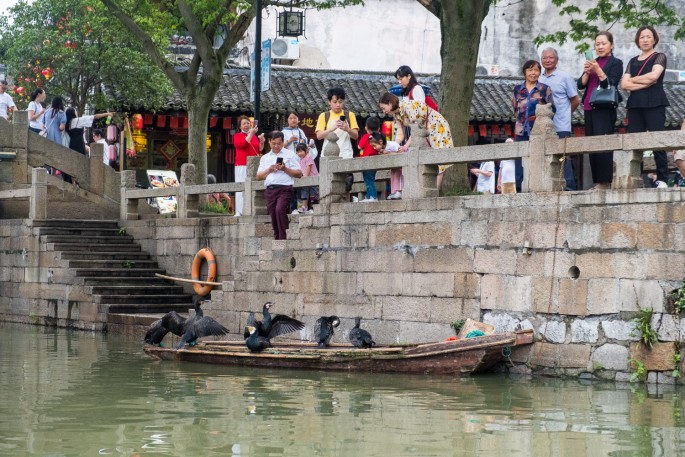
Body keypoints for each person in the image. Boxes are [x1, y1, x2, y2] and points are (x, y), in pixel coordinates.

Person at [620, 26, 670, 189]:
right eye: (642, 37)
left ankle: (662, 178)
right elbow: (624, 84)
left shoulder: (659, 57)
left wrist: (634, 80)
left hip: (655, 102)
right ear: (637, 40)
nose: (645, 39)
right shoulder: (633, 61)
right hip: (635, 105)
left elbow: (654, 77)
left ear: (654, 39)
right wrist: (644, 81)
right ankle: (635, 177)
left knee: (658, 140)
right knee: (635, 142)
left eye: (649, 36)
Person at [378, 92, 453, 195]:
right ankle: (431, 192)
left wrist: (405, 146)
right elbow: (400, 134)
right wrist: (392, 147)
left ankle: (434, 192)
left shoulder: (409, 106)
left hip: (437, 126)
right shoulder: (397, 115)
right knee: (430, 160)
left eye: (383, 108)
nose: (384, 111)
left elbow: (416, 131)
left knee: (439, 160)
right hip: (423, 131)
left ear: (390, 103)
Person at [577, 31, 624, 191]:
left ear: (611, 45)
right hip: (589, 106)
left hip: (604, 107)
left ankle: (605, 181)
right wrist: (586, 72)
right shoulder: (593, 61)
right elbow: (581, 85)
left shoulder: (616, 62)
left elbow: (610, 83)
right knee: (592, 144)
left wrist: (597, 70)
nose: (600, 46)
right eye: (597, 44)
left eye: (603, 43)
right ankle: (598, 181)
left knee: (603, 143)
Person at [539, 47, 580, 191]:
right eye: (545, 58)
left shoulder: (565, 77)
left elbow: (575, 100)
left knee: (563, 158)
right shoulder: (539, 78)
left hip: (561, 125)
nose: (548, 60)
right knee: (544, 157)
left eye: (551, 57)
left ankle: (568, 188)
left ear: (556, 60)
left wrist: (565, 115)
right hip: (542, 126)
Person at [512, 60, 553, 192]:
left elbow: (551, 108)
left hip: (539, 131)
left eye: (536, 70)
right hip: (521, 131)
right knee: (519, 164)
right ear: (524, 72)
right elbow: (515, 109)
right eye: (530, 70)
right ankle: (519, 190)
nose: (533, 73)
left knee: (537, 162)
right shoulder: (518, 89)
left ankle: (537, 189)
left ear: (539, 72)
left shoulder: (544, 89)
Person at [256, 131, 302, 240]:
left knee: (279, 209)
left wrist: (285, 168)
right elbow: (258, 176)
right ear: (269, 142)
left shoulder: (290, 155)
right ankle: (277, 237)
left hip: (284, 188)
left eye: (279, 143)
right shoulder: (265, 158)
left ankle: (283, 237)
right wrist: (270, 169)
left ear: (283, 142)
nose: (276, 146)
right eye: (273, 143)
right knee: (272, 213)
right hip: (270, 189)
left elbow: (299, 174)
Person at [315, 87, 359, 159]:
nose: (338, 105)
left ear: (344, 101)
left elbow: (355, 136)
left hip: (346, 154)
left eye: (340, 102)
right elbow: (319, 136)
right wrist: (331, 129)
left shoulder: (350, 115)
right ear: (329, 102)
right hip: (328, 154)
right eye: (335, 102)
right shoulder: (324, 116)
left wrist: (347, 129)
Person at [234, 115, 264, 216]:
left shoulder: (254, 136)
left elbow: (259, 149)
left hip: (254, 165)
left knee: (253, 187)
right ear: (240, 126)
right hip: (242, 165)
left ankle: (252, 209)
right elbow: (242, 145)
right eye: (244, 124)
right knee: (241, 187)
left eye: (248, 123)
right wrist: (251, 133)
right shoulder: (237, 136)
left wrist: (262, 141)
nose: (246, 125)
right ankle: (239, 210)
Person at [357, 116, 382, 202]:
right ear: (378, 128)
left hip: (366, 161)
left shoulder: (366, 136)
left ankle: (373, 196)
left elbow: (359, 146)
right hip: (375, 161)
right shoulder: (379, 137)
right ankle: (368, 196)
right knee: (370, 179)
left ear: (366, 128)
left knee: (368, 180)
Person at [293, 143, 318, 214]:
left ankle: (317, 205)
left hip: (312, 178)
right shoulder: (301, 160)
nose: (299, 153)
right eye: (298, 152)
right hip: (306, 179)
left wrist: (305, 177)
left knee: (316, 193)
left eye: (301, 151)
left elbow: (308, 167)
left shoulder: (308, 157)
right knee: (304, 191)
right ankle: (304, 206)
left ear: (306, 151)